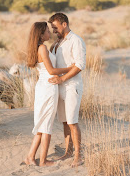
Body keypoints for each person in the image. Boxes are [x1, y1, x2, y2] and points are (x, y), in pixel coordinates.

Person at [24, 22, 74, 167]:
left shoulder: (42, 48)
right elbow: (51, 71)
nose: (49, 33)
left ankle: (30, 157)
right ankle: (44, 160)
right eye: (47, 31)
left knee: (42, 124)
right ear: (40, 34)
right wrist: (70, 68)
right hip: (48, 87)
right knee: (46, 125)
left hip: (44, 86)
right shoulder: (42, 48)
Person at [48, 13, 86, 167]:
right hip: (59, 88)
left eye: (55, 27)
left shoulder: (76, 40)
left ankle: (78, 155)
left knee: (72, 122)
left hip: (72, 87)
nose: (53, 30)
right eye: (52, 28)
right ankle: (68, 151)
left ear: (64, 24)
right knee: (64, 122)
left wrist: (62, 79)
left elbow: (80, 65)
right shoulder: (58, 43)